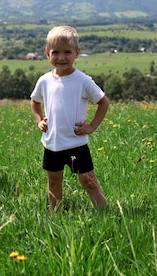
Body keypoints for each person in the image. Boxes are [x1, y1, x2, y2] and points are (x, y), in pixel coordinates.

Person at [30, 26, 109, 211]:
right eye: (55, 52)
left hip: (76, 143)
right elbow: (34, 101)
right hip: (53, 143)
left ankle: (105, 213)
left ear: (77, 53)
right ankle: (55, 213)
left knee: (88, 180)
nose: (61, 57)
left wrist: (92, 126)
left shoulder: (83, 81)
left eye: (67, 52)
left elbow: (103, 102)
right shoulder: (44, 80)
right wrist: (38, 119)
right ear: (47, 53)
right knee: (54, 180)